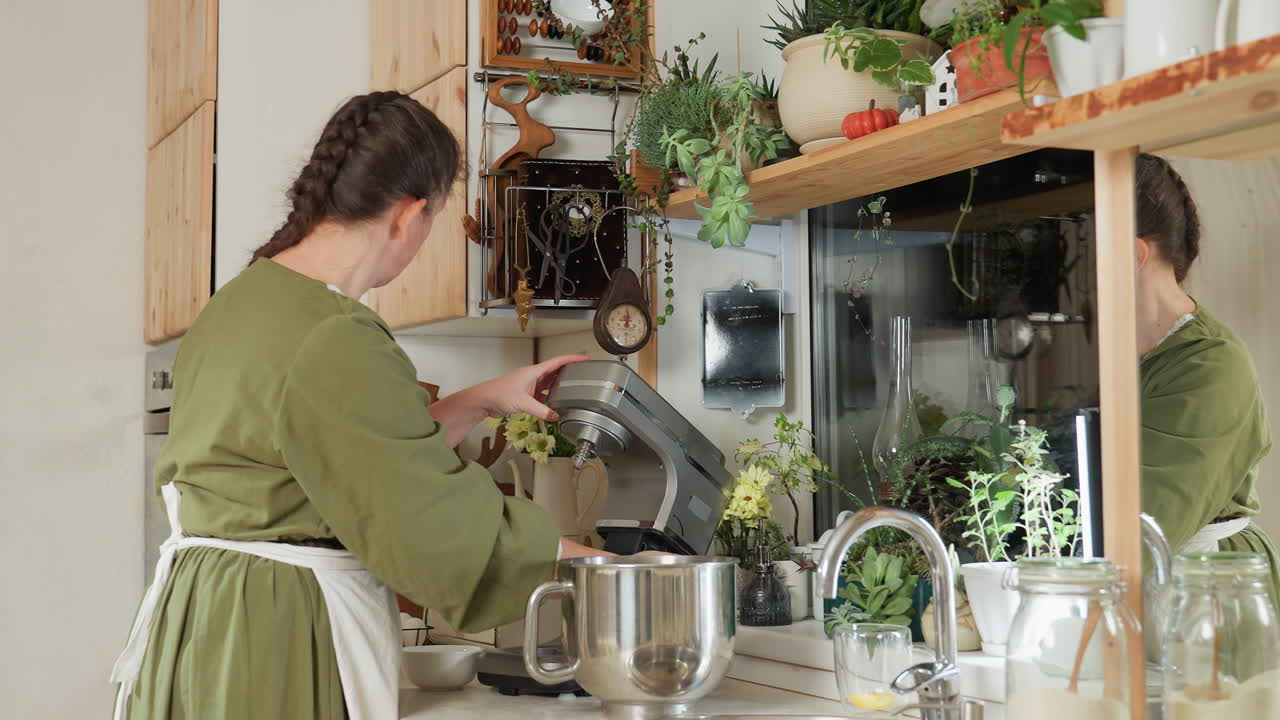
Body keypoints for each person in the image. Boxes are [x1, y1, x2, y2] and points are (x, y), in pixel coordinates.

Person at [111, 91, 607, 720]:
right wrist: (612, 568)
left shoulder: (243, 301)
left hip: (205, 626)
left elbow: (339, 459)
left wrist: (481, 400)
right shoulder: (332, 335)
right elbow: (432, 526)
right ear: (410, 215)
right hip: (275, 635)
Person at [1135, 153, 1277, 603]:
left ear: (1132, 253)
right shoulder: (1106, 348)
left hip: (1210, 592)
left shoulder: (1209, 365)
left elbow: (1147, 522)